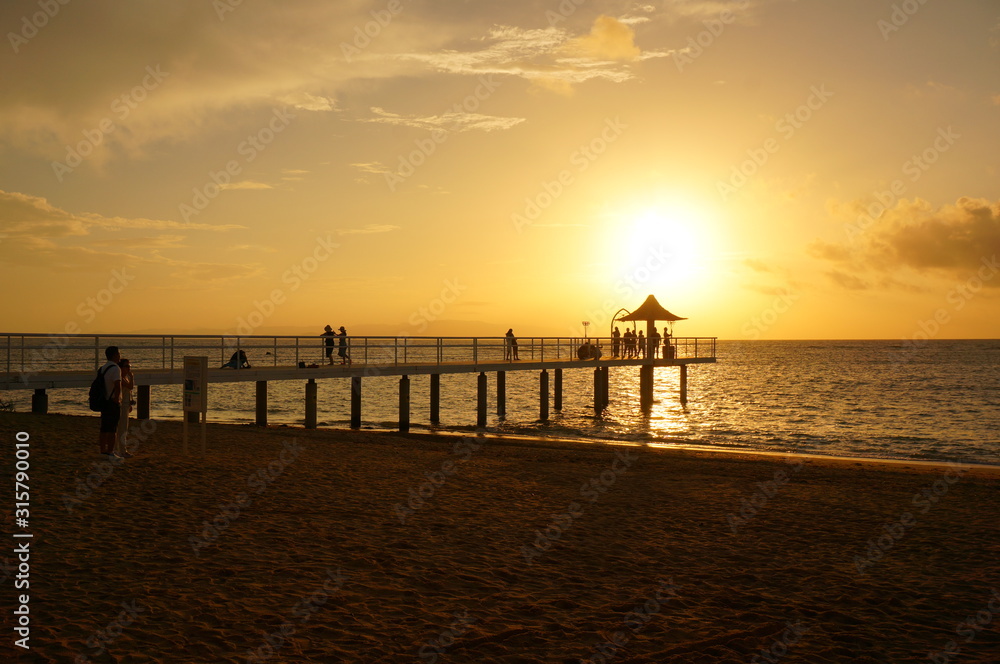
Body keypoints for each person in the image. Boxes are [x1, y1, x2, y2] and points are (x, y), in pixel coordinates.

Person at [97, 346, 123, 460]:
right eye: (118, 354)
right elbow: (117, 385)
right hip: (112, 401)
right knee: (113, 428)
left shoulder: (103, 368)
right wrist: (117, 398)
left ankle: (102, 451)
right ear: (114, 355)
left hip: (104, 400)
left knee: (104, 428)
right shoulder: (116, 368)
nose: (119, 356)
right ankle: (111, 451)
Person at [115, 358, 136, 458]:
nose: (129, 368)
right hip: (121, 406)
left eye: (129, 366)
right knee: (121, 428)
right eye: (126, 366)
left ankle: (120, 449)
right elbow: (130, 386)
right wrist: (132, 377)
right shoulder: (121, 378)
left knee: (124, 428)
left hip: (126, 405)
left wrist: (129, 405)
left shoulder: (125, 377)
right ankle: (121, 450)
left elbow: (128, 391)